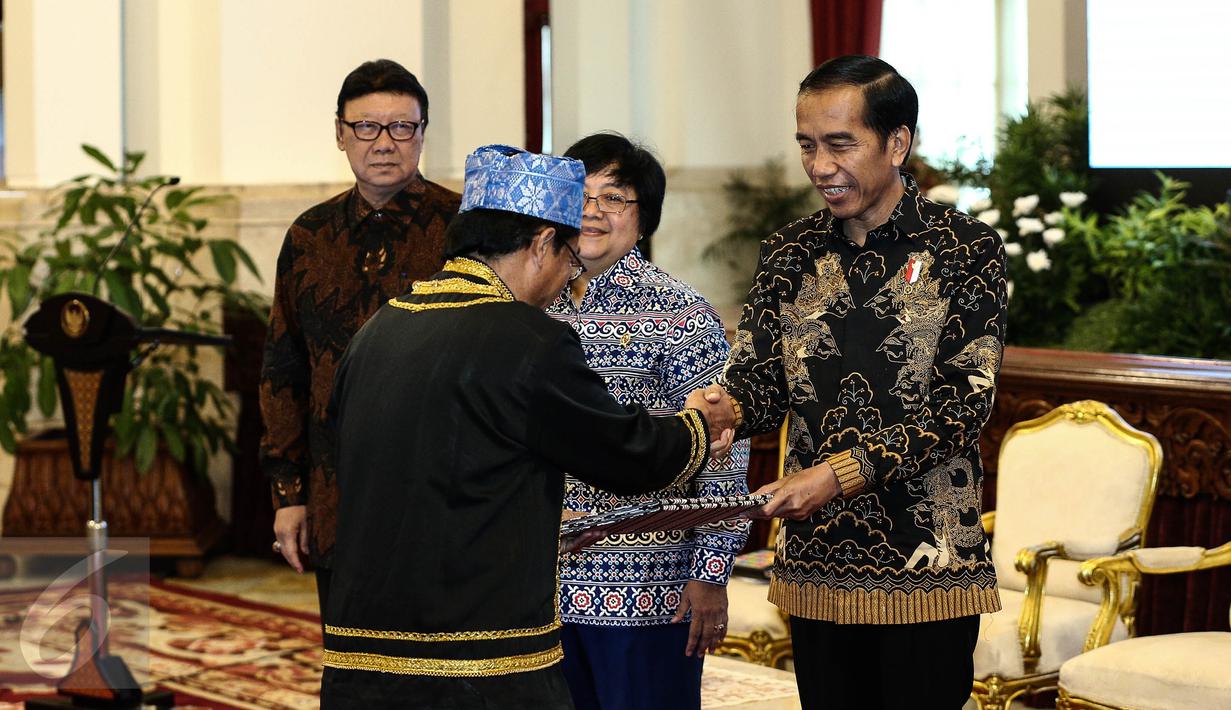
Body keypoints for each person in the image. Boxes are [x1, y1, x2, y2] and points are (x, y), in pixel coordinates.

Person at [320, 144, 732, 709]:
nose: (568, 272)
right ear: (542, 244)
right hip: (478, 648)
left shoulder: (380, 328)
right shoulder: (527, 335)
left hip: (367, 642)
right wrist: (701, 425)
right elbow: (626, 451)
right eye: (567, 254)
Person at [693, 55, 1008, 709]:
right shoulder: (790, 250)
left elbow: (960, 408)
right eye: (807, 145)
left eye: (840, 144)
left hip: (926, 560)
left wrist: (838, 475)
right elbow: (762, 380)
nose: (819, 166)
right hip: (816, 560)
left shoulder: (964, 248)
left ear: (897, 143)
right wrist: (726, 409)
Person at [545, 133, 750, 710]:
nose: (592, 211)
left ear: (644, 218)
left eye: (614, 197)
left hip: (649, 587)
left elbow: (722, 452)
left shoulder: (680, 313)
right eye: (580, 194)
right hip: (541, 587)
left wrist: (710, 573)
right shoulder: (531, 305)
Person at [259, 59, 461, 619]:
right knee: (351, 651)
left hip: (444, 492)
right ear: (340, 133)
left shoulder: (465, 229)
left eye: (402, 127)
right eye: (367, 126)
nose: (384, 142)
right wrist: (288, 494)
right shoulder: (309, 236)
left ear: (423, 132)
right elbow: (283, 369)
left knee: (442, 655)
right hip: (336, 493)